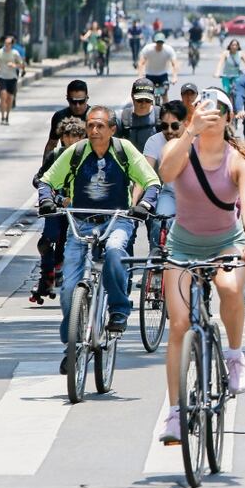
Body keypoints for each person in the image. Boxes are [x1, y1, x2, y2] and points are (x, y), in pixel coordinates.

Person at [156, 89, 245, 443]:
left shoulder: (239, 159)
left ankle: (234, 355)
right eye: (203, 111)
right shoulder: (183, 148)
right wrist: (189, 131)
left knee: (230, 287)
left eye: (218, 112)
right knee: (179, 324)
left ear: (229, 119)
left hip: (226, 243)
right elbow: (165, 172)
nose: (210, 116)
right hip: (182, 245)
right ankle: (174, 414)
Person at [37, 106, 160, 374]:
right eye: (91, 125)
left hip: (117, 220)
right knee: (69, 288)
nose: (94, 131)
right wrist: (46, 199)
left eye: (100, 126)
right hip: (79, 223)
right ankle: (72, 342)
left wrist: (145, 205)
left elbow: (151, 182)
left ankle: (118, 310)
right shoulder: (77, 152)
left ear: (112, 129)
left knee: (116, 250)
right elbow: (47, 180)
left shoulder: (124, 150)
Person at [31, 117, 86, 303]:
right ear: (62, 137)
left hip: (77, 209)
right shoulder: (55, 155)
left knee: (68, 243)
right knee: (47, 240)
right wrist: (54, 198)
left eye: (77, 136)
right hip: (56, 207)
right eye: (68, 136)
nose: (72, 141)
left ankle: (66, 275)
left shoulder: (87, 155)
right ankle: (46, 275)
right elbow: (39, 179)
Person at [142, 100, 188, 247]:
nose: (169, 131)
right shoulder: (154, 141)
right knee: (159, 222)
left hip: (195, 196)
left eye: (174, 126)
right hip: (169, 194)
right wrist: (137, 202)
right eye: (164, 126)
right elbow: (145, 174)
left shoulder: (197, 140)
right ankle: (155, 263)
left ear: (185, 123)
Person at [44, 80, 91, 157]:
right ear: (67, 99)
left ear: (87, 98)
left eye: (81, 101)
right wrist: (45, 167)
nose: (77, 106)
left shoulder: (95, 116)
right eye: (73, 102)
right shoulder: (60, 116)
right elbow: (51, 144)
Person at [137, 32, 178, 104]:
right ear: (155, 42)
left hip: (163, 75)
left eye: (161, 42)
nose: (159, 44)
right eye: (158, 42)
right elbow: (141, 63)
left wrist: (174, 77)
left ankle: (166, 112)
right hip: (150, 74)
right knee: (148, 96)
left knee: (164, 94)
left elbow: (174, 64)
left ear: (163, 42)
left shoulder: (168, 50)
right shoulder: (148, 49)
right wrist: (140, 76)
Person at [0, 34, 24, 125]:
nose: (6, 45)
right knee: (3, 96)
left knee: (9, 99)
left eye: (9, 43)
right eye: (5, 43)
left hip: (12, 78)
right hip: (2, 76)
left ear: (11, 44)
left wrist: (14, 65)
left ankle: (7, 116)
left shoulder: (15, 53)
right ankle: (2, 117)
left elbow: (22, 65)